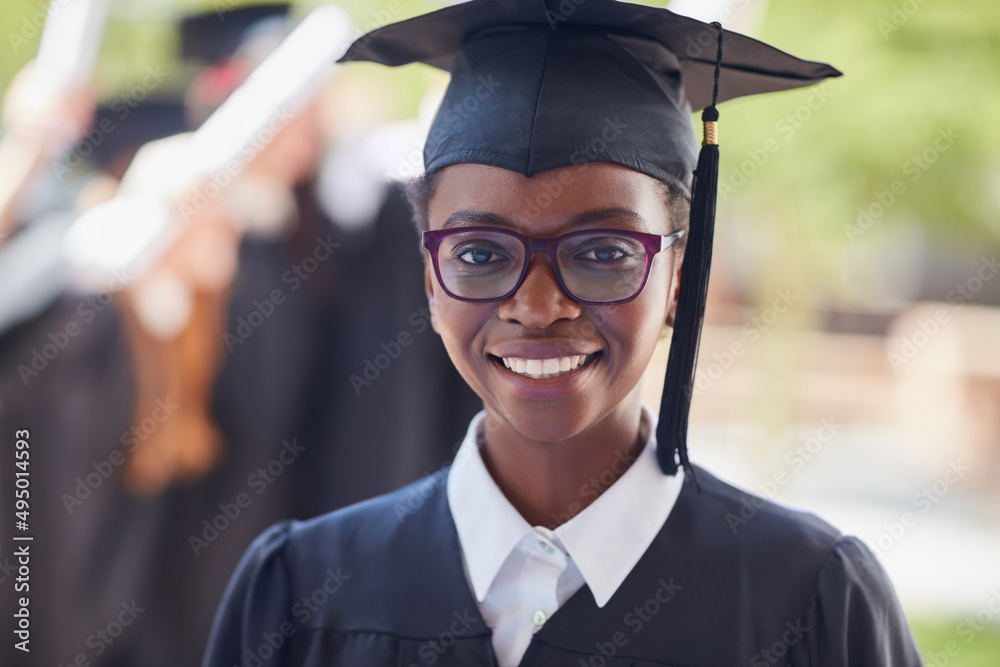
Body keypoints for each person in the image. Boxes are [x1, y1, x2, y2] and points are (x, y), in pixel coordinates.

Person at [202, 1, 925, 666]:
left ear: (679, 274)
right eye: (480, 254)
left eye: (604, 252)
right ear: (429, 279)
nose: (538, 304)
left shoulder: (810, 601)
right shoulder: (300, 594)